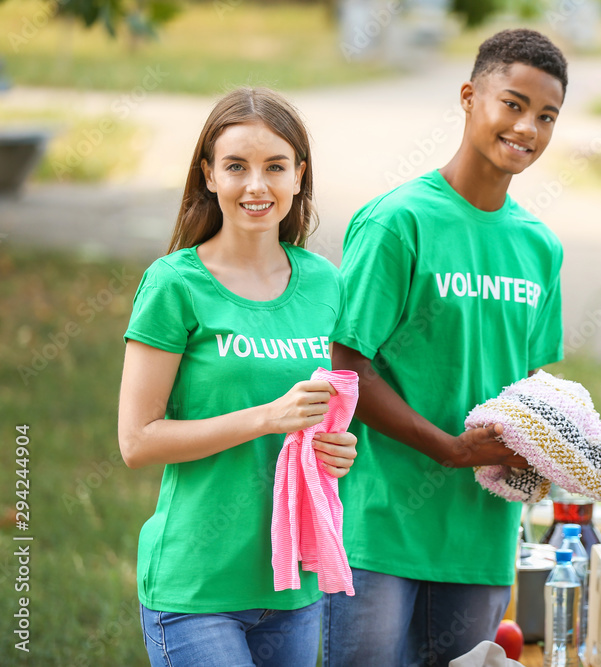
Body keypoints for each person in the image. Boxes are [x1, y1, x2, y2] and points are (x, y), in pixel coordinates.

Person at [324, 28, 568, 666]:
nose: (528, 129)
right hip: (381, 528)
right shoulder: (397, 222)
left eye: (546, 116)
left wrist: (550, 449)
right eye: (512, 104)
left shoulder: (540, 246)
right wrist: (450, 449)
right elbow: (347, 363)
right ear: (468, 97)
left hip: (482, 537)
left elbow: (532, 380)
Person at [117, 87, 358, 667]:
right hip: (198, 586)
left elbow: (331, 414)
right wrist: (266, 418)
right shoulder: (175, 284)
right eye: (236, 166)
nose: (257, 186)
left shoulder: (327, 283)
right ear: (208, 175)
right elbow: (137, 441)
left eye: (275, 166)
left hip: (293, 585)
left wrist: (343, 449)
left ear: (299, 176)